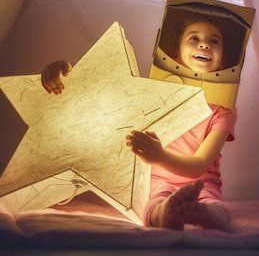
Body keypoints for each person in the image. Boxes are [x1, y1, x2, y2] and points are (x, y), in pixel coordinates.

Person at [41, 15, 237, 231]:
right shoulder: (153, 92)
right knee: (156, 197)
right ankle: (166, 213)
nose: (204, 44)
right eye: (194, 38)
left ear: (224, 60)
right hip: (153, 177)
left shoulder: (224, 110)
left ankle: (209, 215)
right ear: (176, 55)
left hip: (201, 181)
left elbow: (199, 167)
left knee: (210, 198)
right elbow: (103, 97)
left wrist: (160, 156)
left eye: (214, 41)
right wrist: (66, 74)